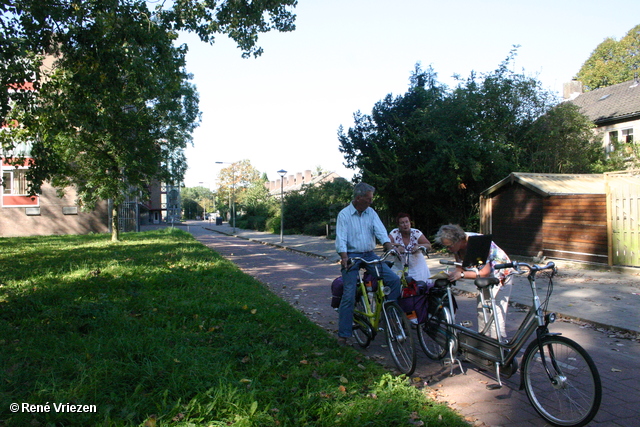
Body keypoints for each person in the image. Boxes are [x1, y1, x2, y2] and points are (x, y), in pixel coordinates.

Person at [335, 182, 401, 345]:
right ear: (359, 198)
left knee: (394, 280)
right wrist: (344, 257)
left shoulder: (371, 213)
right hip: (351, 255)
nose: (371, 202)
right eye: (369, 199)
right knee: (349, 294)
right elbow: (341, 238)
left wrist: (389, 247)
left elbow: (380, 231)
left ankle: (388, 315)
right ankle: (344, 334)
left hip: (369, 254)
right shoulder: (344, 215)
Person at [435, 224, 513, 342]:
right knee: (482, 310)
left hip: (501, 275)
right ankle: (483, 345)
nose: (448, 249)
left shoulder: (476, 243)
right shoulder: (457, 247)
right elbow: (460, 266)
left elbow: (484, 272)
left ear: (458, 240)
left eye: (450, 246)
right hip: (486, 277)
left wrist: (461, 275)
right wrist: (453, 274)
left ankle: (498, 345)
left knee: (495, 312)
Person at [388, 213, 432, 284]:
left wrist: (418, 246)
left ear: (410, 223)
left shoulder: (416, 233)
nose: (405, 225)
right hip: (399, 266)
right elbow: (387, 244)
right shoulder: (394, 233)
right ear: (398, 225)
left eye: (407, 222)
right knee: (394, 284)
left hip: (417, 267)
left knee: (418, 289)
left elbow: (428, 245)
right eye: (402, 223)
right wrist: (396, 246)